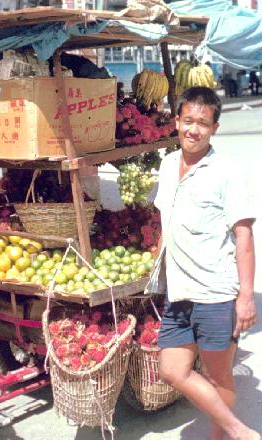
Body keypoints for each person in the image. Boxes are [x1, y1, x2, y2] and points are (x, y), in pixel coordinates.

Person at [154, 87, 259, 440]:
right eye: (187, 121)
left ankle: (221, 437)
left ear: (215, 127)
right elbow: (165, 223)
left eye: (202, 123)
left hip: (216, 295)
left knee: (219, 377)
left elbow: (244, 237)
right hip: (178, 294)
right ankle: (239, 431)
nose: (193, 130)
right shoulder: (168, 165)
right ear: (176, 121)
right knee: (172, 369)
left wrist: (245, 297)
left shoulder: (226, 171)